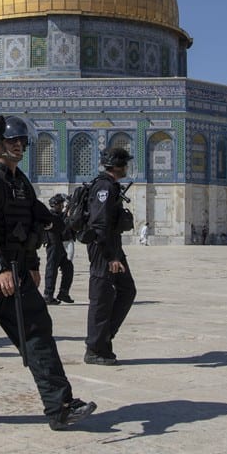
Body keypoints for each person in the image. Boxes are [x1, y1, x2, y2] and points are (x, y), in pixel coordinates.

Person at [0, 115, 96, 431]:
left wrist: (34, 264)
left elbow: (35, 222)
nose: (19, 145)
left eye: (22, 141)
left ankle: (59, 405)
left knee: (37, 332)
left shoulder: (19, 182)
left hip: (16, 271)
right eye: (13, 141)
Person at [84, 147, 137, 365]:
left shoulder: (111, 186)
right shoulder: (104, 187)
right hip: (103, 250)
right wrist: (111, 256)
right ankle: (95, 349)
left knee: (127, 290)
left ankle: (104, 337)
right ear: (116, 165)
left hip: (112, 248)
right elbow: (99, 224)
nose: (127, 167)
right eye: (124, 164)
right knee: (101, 298)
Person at [42, 193, 74, 306]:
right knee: (52, 270)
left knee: (68, 268)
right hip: (53, 245)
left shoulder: (57, 215)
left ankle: (63, 293)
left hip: (59, 245)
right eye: (59, 205)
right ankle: (48, 295)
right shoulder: (50, 215)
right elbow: (59, 223)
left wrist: (68, 208)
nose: (61, 207)